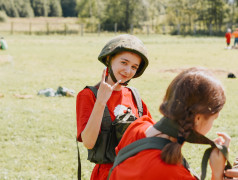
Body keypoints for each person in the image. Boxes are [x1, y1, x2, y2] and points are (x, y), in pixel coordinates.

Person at [109, 67, 231, 180]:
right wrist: (218, 172)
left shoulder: (137, 127)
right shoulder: (176, 173)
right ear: (197, 118)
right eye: (214, 118)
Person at [76, 34, 152, 180]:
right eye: (124, 62)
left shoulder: (134, 96)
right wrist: (101, 102)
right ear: (109, 59)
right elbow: (89, 143)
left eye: (134, 67)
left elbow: (150, 135)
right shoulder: (87, 95)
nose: (128, 71)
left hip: (135, 172)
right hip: (107, 175)